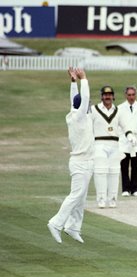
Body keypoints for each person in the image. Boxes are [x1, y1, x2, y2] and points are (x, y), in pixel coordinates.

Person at [47, 67, 93, 244]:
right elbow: (85, 98)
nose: (89, 107)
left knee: (81, 197)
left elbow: (75, 99)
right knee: (75, 195)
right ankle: (56, 223)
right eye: (86, 106)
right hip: (80, 162)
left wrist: (73, 82)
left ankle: (73, 227)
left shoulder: (74, 113)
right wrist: (84, 79)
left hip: (87, 161)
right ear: (82, 106)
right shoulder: (79, 116)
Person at [91, 85, 135, 208]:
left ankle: (112, 199)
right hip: (99, 143)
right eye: (105, 95)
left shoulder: (118, 111)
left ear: (113, 96)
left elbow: (125, 125)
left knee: (114, 172)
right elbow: (88, 127)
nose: (108, 97)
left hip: (114, 144)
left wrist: (130, 135)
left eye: (110, 95)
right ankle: (101, 198)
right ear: (101, 96)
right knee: (100, 171)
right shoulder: (94, 109)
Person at [119, 86, 137, 197]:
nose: (131, 97)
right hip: (124, 140)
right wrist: (124, 135)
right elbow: (118, 125)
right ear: (125, 95)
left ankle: (135, 189)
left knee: (135, 166)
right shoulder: (120, 108)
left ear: (135, 95)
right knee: (124, 166)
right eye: (129, 95)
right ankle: (125, 189)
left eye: (133, 95)